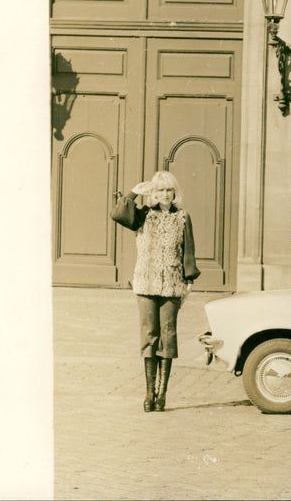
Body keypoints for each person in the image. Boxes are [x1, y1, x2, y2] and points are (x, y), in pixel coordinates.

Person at [111, 171, 200, 412]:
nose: (165, 194)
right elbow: (118, 214)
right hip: (145, 282)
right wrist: (134, 192)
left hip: (172, 283)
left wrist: (189, 280)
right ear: (154, 193)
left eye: (168, 190)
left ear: (174, 193)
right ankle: (149, 392)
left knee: (168, 336)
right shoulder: (143, 215)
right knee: (149, 334)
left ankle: (162, 393)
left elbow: (188, 250)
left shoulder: (183, 217)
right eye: (160, 190)